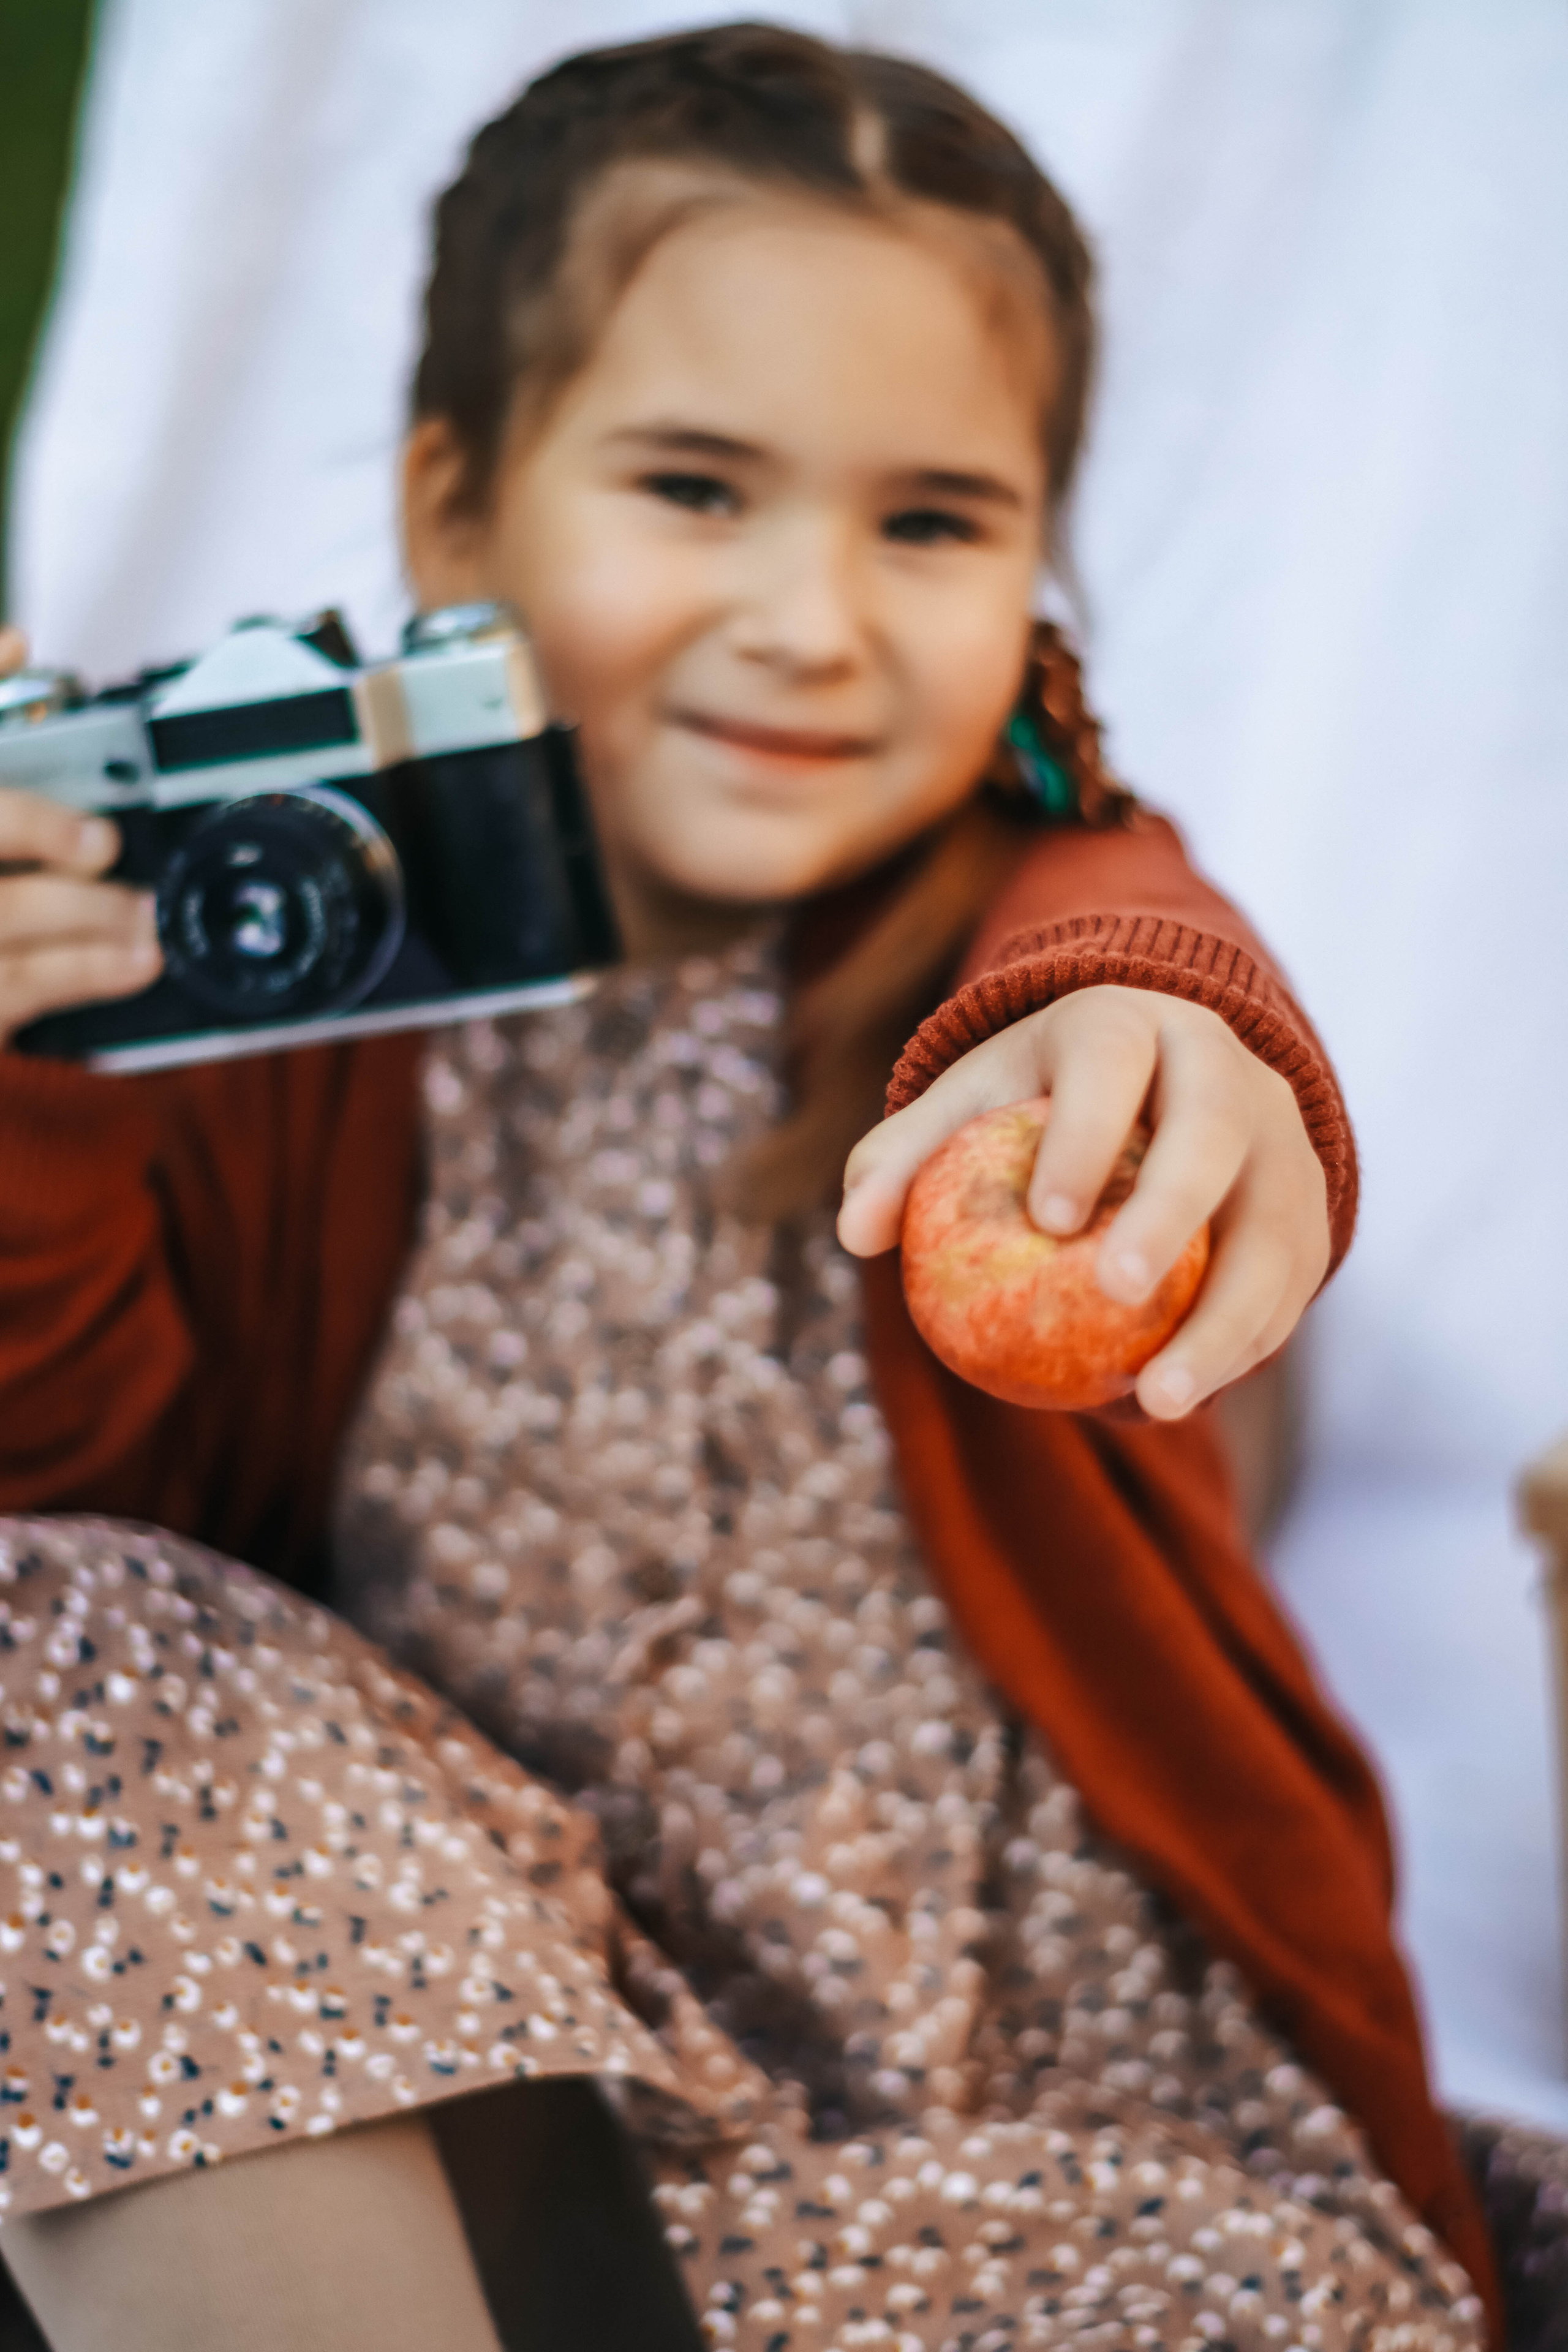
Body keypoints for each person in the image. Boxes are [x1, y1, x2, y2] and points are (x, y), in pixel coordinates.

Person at [0, 24, 1497, 2352]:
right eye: (697, 489)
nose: (813, 617)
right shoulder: (301, 1028)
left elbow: (1121, 946)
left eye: (932, 521)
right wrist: (38, 1091)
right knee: (54, 1614)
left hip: (1059, 2178)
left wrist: (1155, 1023)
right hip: (541, 2120)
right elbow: (93, 1529)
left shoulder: (1010, 945)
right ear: (454, 515)